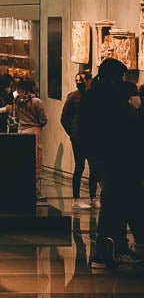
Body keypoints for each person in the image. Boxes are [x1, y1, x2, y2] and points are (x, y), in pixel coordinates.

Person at [80, 58, 143, 269]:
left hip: (104, 156)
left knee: (116, 201)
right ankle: (105, 252)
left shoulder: (93, 94)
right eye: (120, 76)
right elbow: (123, 125)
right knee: (114, 202)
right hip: (114, 157)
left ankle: (115, 248)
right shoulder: (110, 97)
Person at [61, 72, 98, 210]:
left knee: (94, 168)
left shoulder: (93, 96)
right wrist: (72, 134)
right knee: (79, 167)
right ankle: (76, 198)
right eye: (77, 80)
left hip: (91, 137)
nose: (79, 82)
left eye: (81, 80)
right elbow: (64, 118)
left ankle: (93, 197)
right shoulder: (73, 97)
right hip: (78, 138)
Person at [13, 78, 48, 190]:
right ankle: (33, 189)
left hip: (21, 130)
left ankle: (22, 186)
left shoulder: (17, 100)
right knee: (35, 161)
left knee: (22, 160)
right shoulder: (36, 101)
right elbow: (43, 119)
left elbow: (16, 118)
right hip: (33, 131)